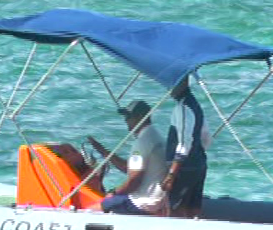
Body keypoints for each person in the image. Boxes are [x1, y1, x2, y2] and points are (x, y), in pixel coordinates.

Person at [86, 100, 168, 215]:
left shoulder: (141, 142)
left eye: (129, 117)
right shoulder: (157, 137)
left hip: (142, 202)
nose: (126, 120)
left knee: (91, 210)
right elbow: (128, 168)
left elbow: (134, 181)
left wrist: (114, 193)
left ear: (140, 117)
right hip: (157, 200)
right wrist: (102, 150)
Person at [162, 76, 211, 217]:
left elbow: (184, 143)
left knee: (176, 209)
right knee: (193, 208)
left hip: (184, 168)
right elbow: (206, 138)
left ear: (183, 83)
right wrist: (196, 154)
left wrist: (171, 174)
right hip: (199, 164)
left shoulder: (182, 108)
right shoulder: (195, 104)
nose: (169, 88)